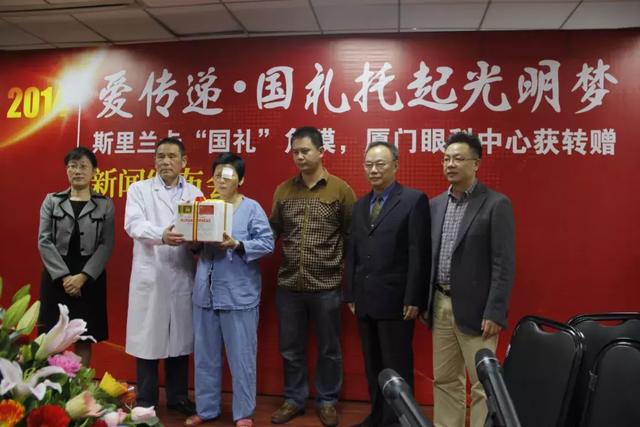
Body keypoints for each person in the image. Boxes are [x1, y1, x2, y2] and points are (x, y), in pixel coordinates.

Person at [425, 132, 515, 427]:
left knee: (482, 383)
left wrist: (495, 311)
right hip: (441, 303)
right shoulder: (436, 205)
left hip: (478, 310)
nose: (450, 164)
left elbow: (503, 263)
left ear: (476, 163)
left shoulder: (495, 204)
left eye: (458, 158)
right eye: (446, 159)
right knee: (445, 379)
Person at [269, 126, 356, 426]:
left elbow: (351, 236)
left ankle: (328, 400)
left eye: (305, 151)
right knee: (290, 348)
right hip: (289, 284)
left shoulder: (340, 190)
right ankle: (294, 399)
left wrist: (342, 271)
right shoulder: (283, 190)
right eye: (295, 152)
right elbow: (273, 232)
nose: (300, 157)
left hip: (327, 286)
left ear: (321, 151)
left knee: (329, 349)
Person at [345, 141, 431, 427]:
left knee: (397, 366)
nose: (374, 170)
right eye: (368, 164)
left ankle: (399, 421)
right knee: (373, 365)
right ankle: (377, 416)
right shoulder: (360, 205)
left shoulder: (413, 200)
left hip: (397, 301)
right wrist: (351, 293)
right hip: (365, 299)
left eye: (380, 164)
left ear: (395, 165)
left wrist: (414, 298)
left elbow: (419, 253)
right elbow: (353, 251)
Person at [186, 153, 274, 427]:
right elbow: (196, 247)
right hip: (206, 293)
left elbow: (267, 242)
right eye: (217, 175)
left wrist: (237, 243)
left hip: (238, 295)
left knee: (242, 357)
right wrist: (191, 240)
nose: (222, 181)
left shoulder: (251, 208)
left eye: (228, 176)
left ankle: (243, 413)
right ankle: (207, 409)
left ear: (241, 179)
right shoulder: (204, 207)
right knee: (205, 357)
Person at [124, 136, 203, 415]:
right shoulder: (139, 189)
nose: (165, 161)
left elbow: (200, 228)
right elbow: (133, 224)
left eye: (171, 156)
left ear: (184, 162)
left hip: (181, 273)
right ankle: (146, 399)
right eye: (160, 156)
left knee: (179, 340)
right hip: (152, 274)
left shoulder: (194, 193)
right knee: (148, 340)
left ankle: (178, 397)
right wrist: (162, 235)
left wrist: (196, 242)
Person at [37, 146, 114, 366]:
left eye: (83, 166)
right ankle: (51, 385)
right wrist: (64, 277)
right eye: (72, 166)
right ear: (67, 170)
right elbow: (44, 240)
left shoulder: (105, 204)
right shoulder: (52, 201)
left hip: (89, 278)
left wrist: (83, 277)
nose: (77, 171)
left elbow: (106, 244)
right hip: (56, 277)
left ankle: (79, 384)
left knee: (84, 338)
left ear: (94, 172)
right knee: (52, 337)